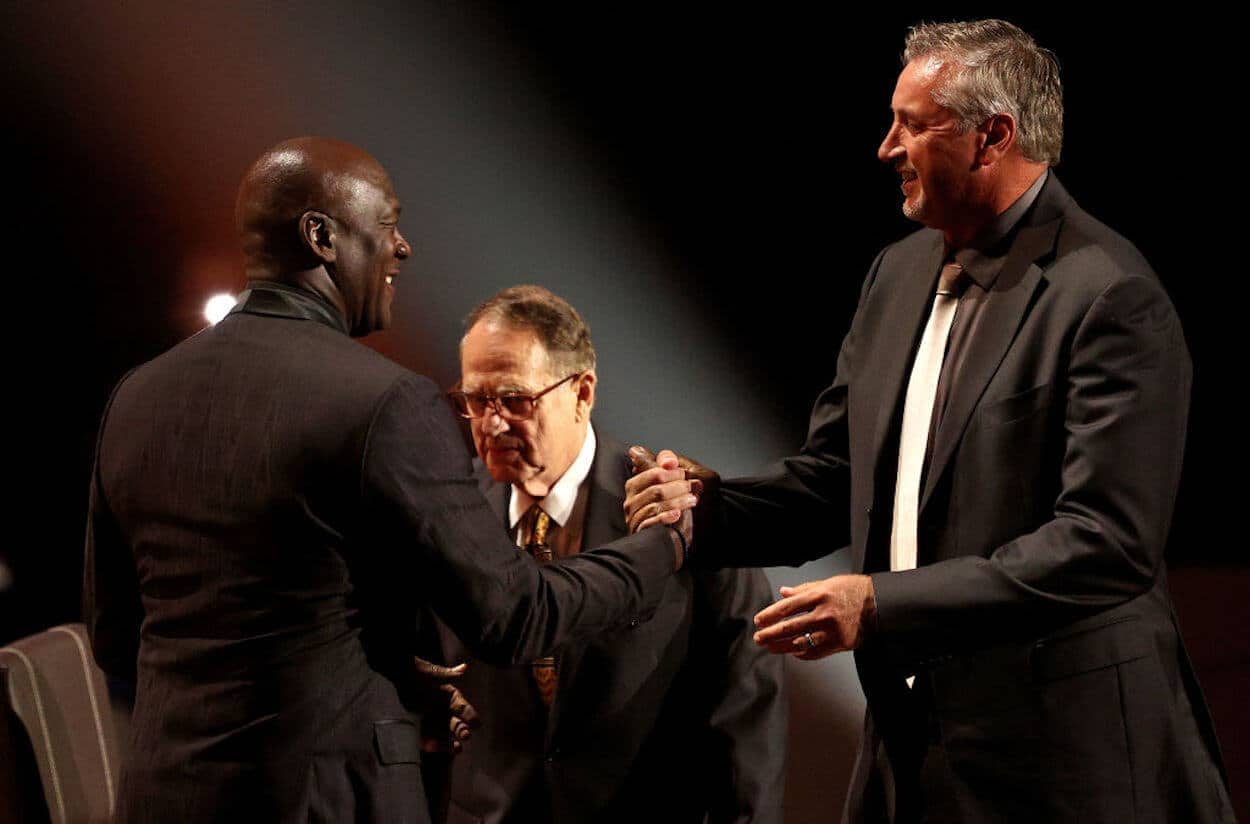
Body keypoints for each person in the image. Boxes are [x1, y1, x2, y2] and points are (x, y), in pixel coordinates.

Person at [624, 20, 1235, 823]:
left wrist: (879, 604)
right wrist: (707, 513)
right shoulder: (897, 272)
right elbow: (836, 477)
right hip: (912, 743)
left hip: (1060, 756)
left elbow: (1106, 544)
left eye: (913, 124)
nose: (886, 147)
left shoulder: (1109, 294)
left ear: (993, 137)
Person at [83, 137, 686, 824]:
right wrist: (662, 547)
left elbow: (115, 633)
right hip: (326, 803)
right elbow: (515, 616)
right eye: (388, 224)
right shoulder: (384, 401)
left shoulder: (137, 396)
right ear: (322, 237)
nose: (402, 248)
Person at [434, 285, 785, 823]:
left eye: (515, 399)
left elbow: (744, 725)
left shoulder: (683, 509)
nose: (491, 423)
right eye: (476, 401)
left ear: (582, 392)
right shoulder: (445, 516)